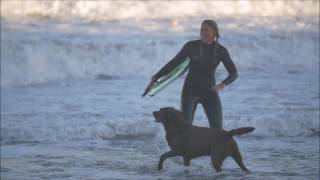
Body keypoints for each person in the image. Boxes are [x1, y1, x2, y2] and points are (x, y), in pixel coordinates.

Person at [145, 19, 238, 128]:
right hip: (190, 92)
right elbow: (173, 63)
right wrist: (155, 78)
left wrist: (222, 84)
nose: (203, 33)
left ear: (214, 32)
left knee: (217, 128)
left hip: (209, 92)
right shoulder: (191, 46)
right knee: (185, 127)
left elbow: (234, 73)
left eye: (206, 30)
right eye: (201, 30)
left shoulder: (221, 51)